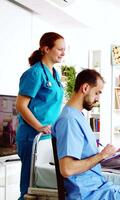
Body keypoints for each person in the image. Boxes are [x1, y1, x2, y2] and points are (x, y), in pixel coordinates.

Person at [52, 69, 120, 200]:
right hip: (89, 194)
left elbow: (86, 158)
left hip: (100, 187)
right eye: (97, 93)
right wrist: (102, 154)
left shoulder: (78, 116)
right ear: (85, 88)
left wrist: (112, 155)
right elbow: (67, 169)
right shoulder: (69, 120)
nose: (98, 99)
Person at [16, 32, 65, 199]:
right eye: (59, 49)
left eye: (64, 49)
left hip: (47, 136)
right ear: (46, 49)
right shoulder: (34, 73)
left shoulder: (54, 74)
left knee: (41, 184)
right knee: (29, 186)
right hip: (33, 136)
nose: (63, 53)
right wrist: (39, 127)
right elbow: (21, 105)